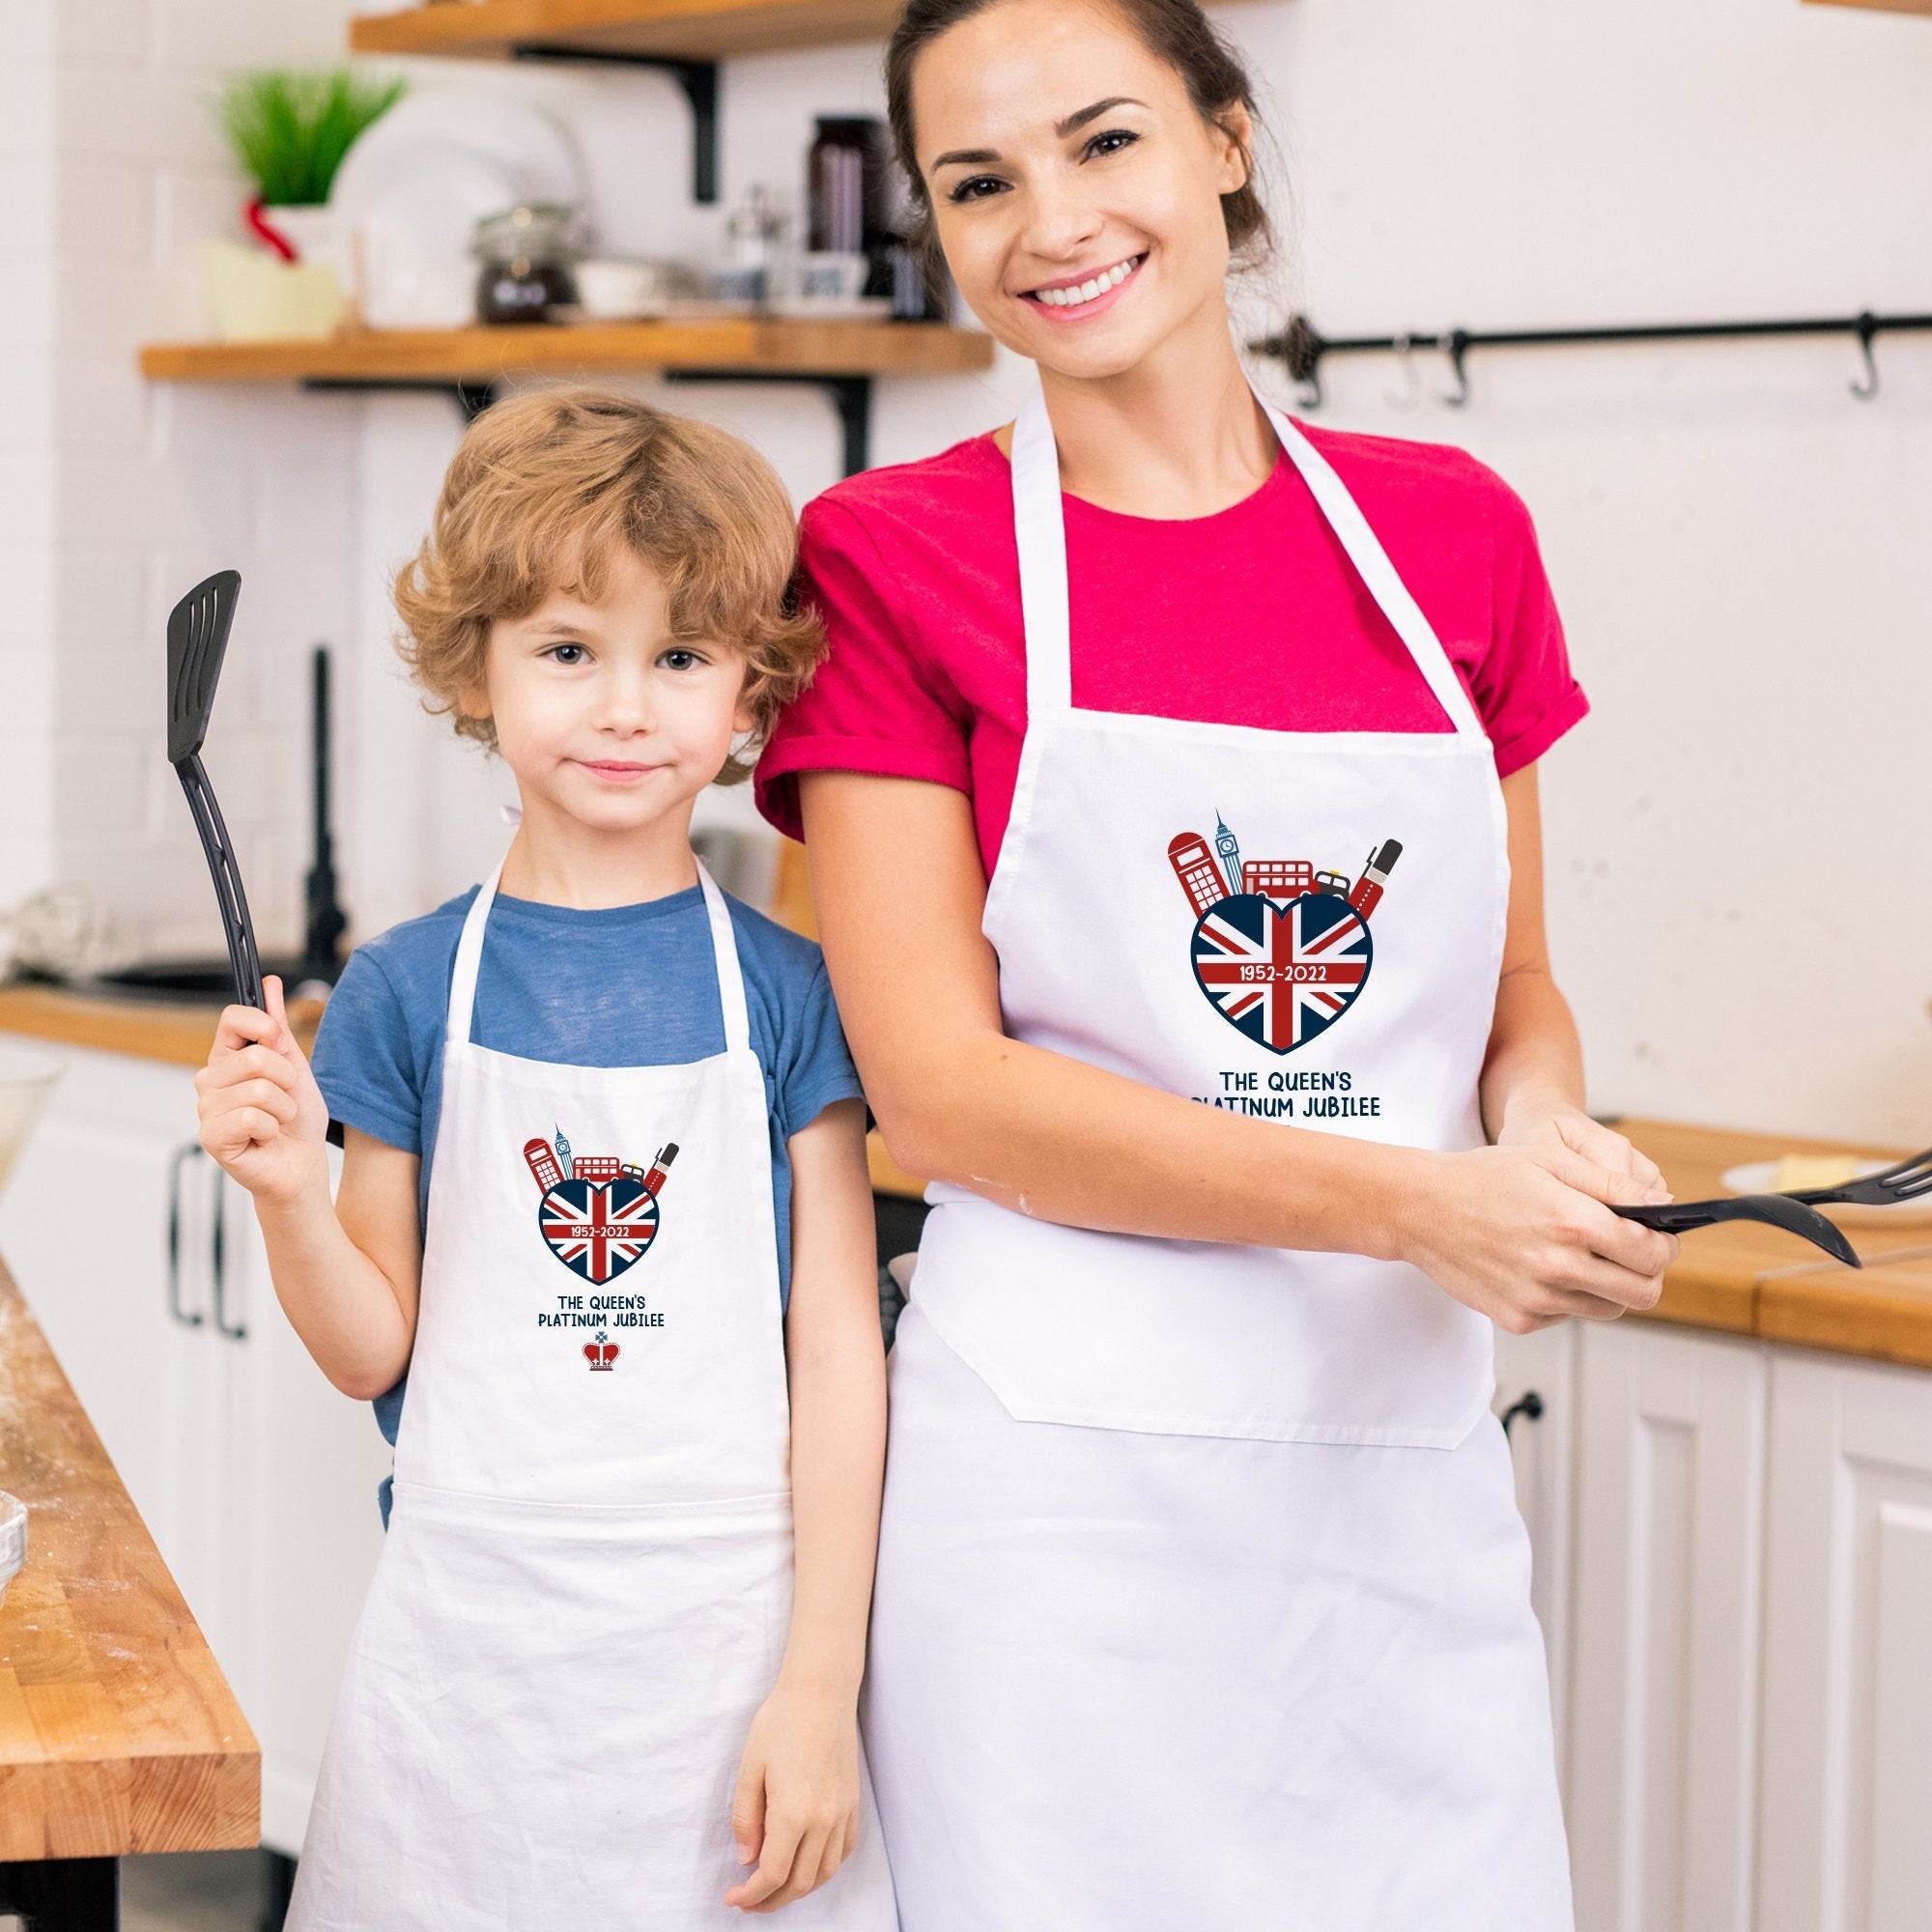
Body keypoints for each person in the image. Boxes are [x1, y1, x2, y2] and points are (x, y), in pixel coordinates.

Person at [753, 1, 1681, 1925]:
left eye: (1105, 142)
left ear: (1226, 143)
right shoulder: (885, 556)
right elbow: (937, 1085)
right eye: (979, 182)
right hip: (1058, 1515)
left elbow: (1509, 990)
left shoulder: (1453, 540)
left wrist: (1547, 1141)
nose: (1050, 221)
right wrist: (1424, 1203)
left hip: (1393, 1482)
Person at [195, 391, 898, 1930]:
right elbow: (372, 1346)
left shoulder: (790, 994)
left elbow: (839, 1351)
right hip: (469, 1676)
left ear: (749, 694)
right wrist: (288, 1198)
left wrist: (823, 1685)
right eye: (571, 651)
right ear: (480, 666)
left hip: (732, 1662)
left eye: (683, 657)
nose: (628, 709)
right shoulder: (401, 991)